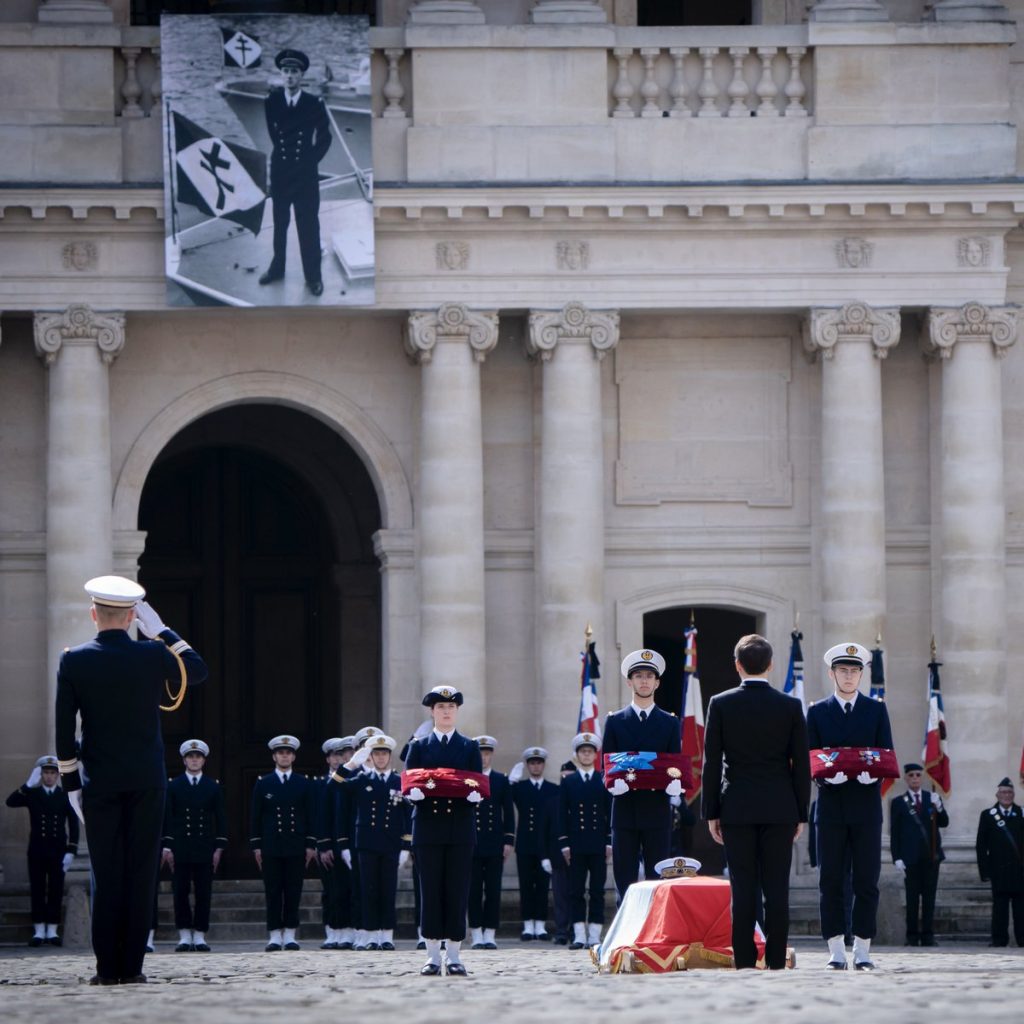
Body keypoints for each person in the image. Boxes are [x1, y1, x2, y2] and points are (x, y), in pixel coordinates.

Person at [55, 575, 207, 985]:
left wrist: (71, 785)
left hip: (99, 781)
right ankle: (133, 968)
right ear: (132, 617)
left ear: (93, 614)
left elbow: (63, 732)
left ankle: (107, 969)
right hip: (146, 781)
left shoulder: (74, 660)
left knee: (107, 874)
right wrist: (161, 631)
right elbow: (197, 670)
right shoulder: (151, 654)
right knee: (141, 876)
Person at [701, 634, 810, 970]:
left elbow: (712, 762)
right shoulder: (790, 706)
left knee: (743, 889)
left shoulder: (720, 703)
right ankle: (776, 959)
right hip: (780, 809)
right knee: (777, 889)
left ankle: (745, 960)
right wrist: (801, 814)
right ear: (771, 665)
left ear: (737, 665)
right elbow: (801, 765)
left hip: (737, 808)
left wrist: (711, 812)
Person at [806, 642, 893, 971]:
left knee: (867, 879)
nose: (849, 676)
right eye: (843, 670)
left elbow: (886, 753)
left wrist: (873, 776)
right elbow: (809, 758)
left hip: (866, 806)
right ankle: (835, 949)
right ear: (832, 673)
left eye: (855, 671)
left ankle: (863, 948)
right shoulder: (817, 712)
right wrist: (826, 779)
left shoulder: (875, 710)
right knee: (830, 879)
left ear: (862, 675)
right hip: (830, 806)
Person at [405, 685, 484, 977]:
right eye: (441, 707)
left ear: (457, 711)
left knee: (457, 890)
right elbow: (410, 782)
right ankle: (431, 955)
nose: (446, 711)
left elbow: (476, 780)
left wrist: (478, 795)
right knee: (430, 890)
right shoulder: (419, 746)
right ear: (432, 711)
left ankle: (453, 954)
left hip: (460, 827)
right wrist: (411, 795)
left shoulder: (469, 747)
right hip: (428, 827)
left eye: (451, 707)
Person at [602, 649, 682, 900]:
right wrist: (612, 783)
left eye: (649, 676)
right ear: (629, 682)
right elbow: (607, 764)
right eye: (638, 676)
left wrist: (675, 785)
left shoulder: (670, 722)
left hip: (656, 808)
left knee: (657, 880)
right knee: (624, 881)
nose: (644, 681)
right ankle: (624, 937)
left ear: (657, 682)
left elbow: (675, 764)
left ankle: (655, 936)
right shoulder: (615, 721)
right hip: (625, 808)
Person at [259, 48, 332, 297]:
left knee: (308, 225)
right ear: (281, 74)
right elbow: (274, 135)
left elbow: (325, 137)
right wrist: (284, 156)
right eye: (286, 71)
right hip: (280, 171)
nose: (289, 76)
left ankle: (313, 277)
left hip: (305, 175)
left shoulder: (314, 103)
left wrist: (310, 160)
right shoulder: (271, 102)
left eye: (294, 72)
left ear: (301, 76)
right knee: (280, 224)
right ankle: (277, 268)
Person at [337, 733, 410, 951]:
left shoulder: (399, 781)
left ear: (389, 756)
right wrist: (350, 765)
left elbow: (408, 815)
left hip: (390, 844)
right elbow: (334, 786)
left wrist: (406, 846)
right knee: (368, 890)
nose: (380, 758)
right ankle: (369, 935)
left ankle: (386, 935)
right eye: (376, 754)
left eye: (384, 754)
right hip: (367, 844)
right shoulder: (362, 779)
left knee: (387, 890)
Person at [250, 735, 317, 951]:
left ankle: (289, 933)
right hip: (271, 845)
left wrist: (310, 844)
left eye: (288, 753)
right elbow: (255, 817)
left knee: (293, 890)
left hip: (295, 844)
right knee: (273, 890)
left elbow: (310, 815)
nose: (284, 756)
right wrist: (256, 846)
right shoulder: (263, 783)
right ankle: (273, 935)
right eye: (280, 753)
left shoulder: (303, 782)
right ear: (274, 756)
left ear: (294, 756)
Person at [5, 754, 80, 947]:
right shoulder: (32, 794)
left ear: (58, 776)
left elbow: (74, 825)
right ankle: (38, 930)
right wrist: (28, 784)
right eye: (45, 773)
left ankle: (52, 930)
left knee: (55, 889)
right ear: (40, 774)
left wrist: (71, 850)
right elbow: (10, 802)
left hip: (58, 851)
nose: (49, 776)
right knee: (37, 889)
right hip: (37, 850)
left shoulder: (64, 796)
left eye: (52, 773)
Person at [160, 739, 227, 953]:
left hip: (204, 847)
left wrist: (219, 847)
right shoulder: (174, 785)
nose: (194, 760)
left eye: (198, 757)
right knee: (180, 891)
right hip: (181, 847)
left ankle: (199, 934)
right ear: (184, 760)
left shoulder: (212, 786)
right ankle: (183, 934)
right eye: (190, 757)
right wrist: (167, 846)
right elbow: (168, 818)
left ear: (204, 760)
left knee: (203, 892)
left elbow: (220, 818)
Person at [557, 732, 611, 950]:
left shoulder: (604, 779)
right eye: (583, 752)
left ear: (595, 755)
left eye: (590, 752)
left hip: (598, 844)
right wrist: (564, 843)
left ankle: (595, 934)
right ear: (577, 755)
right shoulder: (569, 781)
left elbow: (609, 812)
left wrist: (609, 841)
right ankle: (579, 933)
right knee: (576, 891)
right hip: (577, 845)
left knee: (597, 890)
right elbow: (562, 814)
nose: (586, 755)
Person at [890, 762, 948, 947]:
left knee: (929, 898)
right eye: (911, 775)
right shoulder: (899, 802)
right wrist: (896, 857)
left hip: (931, 856)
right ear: (906, 778)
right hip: (910, 858)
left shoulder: (931, 797)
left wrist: (939, 806)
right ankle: (912, 935)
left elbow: (944, 823)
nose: (915, 778)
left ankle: (928, 935)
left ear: (921, 777)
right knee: (912, 899)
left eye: (917, 775)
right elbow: (895, 832)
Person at [468, 735, 514, 950]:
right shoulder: (468, 778)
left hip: (494, 843)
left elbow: (508, 813)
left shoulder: (500, 779)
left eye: (487, 754)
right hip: (472, 843)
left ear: (492, 755)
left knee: (493, 890)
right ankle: (476, 933)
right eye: (480, 754)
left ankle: (490, 933)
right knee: (474, 890)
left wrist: (508, 840)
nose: (483, 758)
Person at [511, 746, 558, 941]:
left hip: (545, 845)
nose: (536, 766)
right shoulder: (520, 787)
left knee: (542, 885)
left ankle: (540, 924)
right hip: (525, 843)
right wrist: (510, 783)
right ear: (528, 766)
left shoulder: (553, 789)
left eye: (539, 763)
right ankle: (527, 924)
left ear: (543, 765)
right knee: (526, 885)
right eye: (532, 763)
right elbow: (506, 799)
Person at [315, 736, 356, 949]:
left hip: (349, 843)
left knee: (350, 889)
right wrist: (323, 845)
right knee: (332, 890)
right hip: (330, 844)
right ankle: (333, 930)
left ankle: (349, 931)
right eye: (335, 755)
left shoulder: (353, 779)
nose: (338, 759)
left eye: (342, 754)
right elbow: (320, 816)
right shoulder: (322, 783)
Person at [975, 777, 1024, 947]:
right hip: (999, 870)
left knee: (1021, 909)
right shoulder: (988, 815)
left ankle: (1022, 939)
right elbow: (980, 845)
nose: (1007, 795)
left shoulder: (1022, 813)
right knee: (999, 908)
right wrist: (985, 871)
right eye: (1003, 792)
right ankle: (999, 939)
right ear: (997, 794)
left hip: (1020, 871)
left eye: (1010, 792)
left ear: (1014, 794)